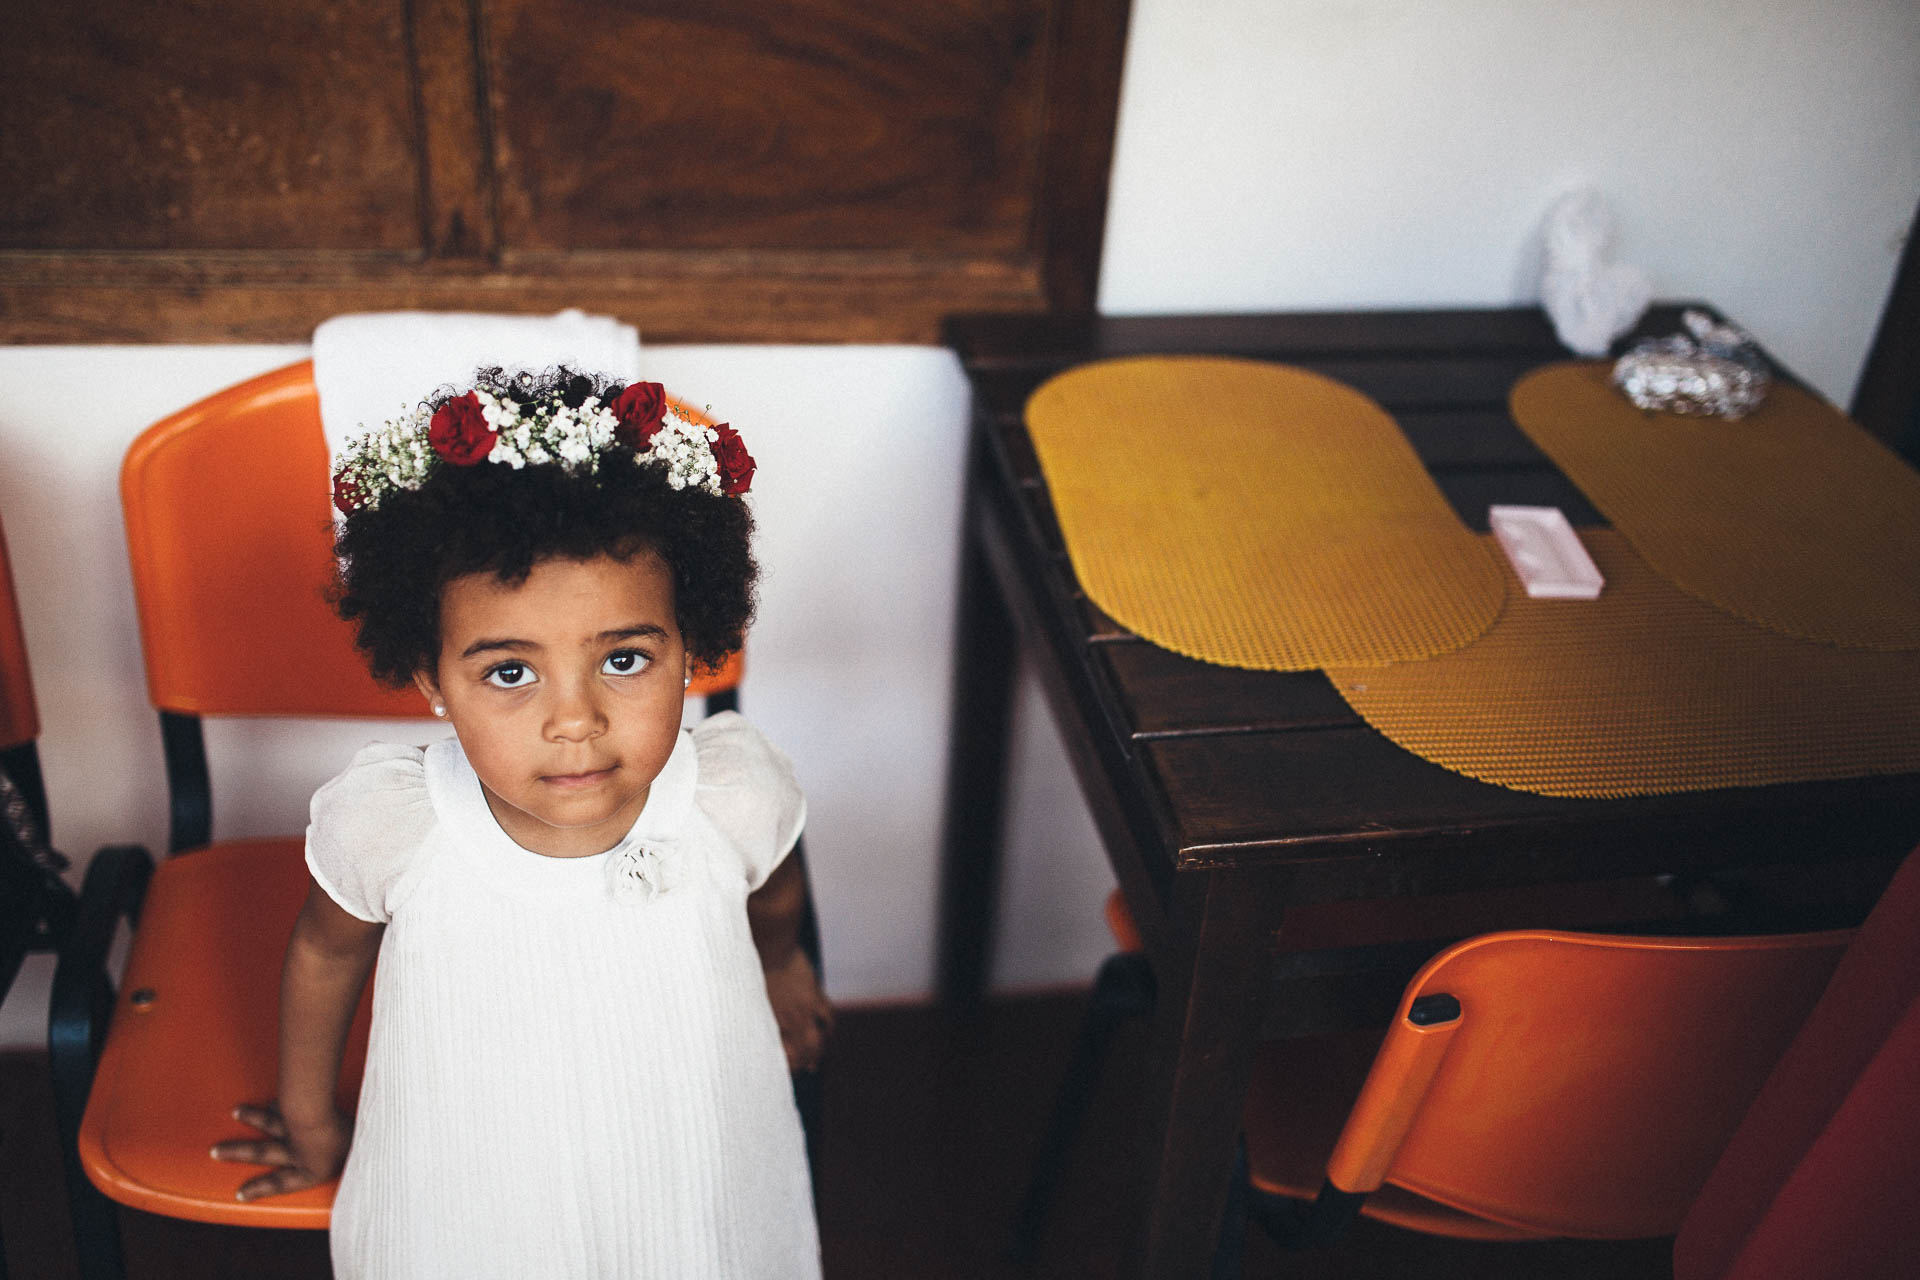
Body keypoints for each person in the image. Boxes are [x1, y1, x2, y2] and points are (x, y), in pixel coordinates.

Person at [210, 367, 832, 1278]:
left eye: (624, 659)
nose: (574, 720)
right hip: (474, 1188)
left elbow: (774, 885)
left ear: (690, 648)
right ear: (430, 680)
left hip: (690, 1172)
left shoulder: (734, 794)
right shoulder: (395, 825)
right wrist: (309, 1118)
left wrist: (779, 965)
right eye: (510, 672)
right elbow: (325, 954)